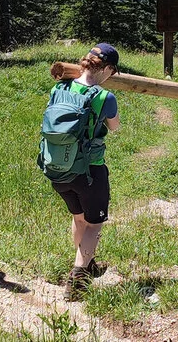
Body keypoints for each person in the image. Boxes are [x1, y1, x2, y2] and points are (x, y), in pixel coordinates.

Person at [50, 43, 122, 300]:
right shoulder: (104, 97)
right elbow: (114, 127)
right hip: (89, 170)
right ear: (108, 69)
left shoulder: (59, 88)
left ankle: (86, 263)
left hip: (57, 169)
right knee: (94, 223)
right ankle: (78, 280)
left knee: (79, 217)